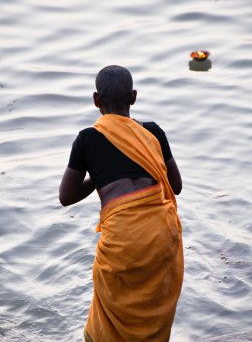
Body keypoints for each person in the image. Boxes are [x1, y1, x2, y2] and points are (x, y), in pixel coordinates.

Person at [59, 65, 184, 342]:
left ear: (96, 100)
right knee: (153, 305)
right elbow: (176, 187)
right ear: (134, 97)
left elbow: (66, 197)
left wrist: (97, 177)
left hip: (123, 238)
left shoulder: (87, 139)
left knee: (111, 310)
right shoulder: (153, 132)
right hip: (161, 235)